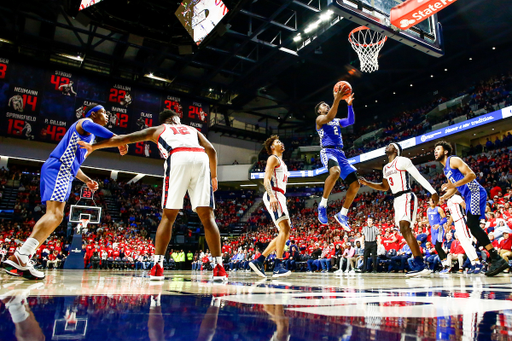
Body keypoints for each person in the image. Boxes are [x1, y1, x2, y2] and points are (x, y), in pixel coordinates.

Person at [78, 109, 228, 281]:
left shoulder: (157, 130)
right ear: (173, 119)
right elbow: (212, 150)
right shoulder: (193, 130)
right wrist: (214, 176)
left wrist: (94, 146)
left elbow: (124, 138)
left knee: (168, 216)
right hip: (201, 159)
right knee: (208, 217)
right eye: (178, 118)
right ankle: (219, 268)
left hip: (178, 156)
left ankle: (157, 267)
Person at [2, 104, 127, 280]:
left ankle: (22, 256)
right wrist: (118, 140)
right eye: (104, 113)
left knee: (54, 215)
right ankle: (22, 256)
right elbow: (89, 125)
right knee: (55, 215)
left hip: (64, 171)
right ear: (93, 114)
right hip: (59, 169)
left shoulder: (88, 140)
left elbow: (75, 166)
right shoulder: (84, 122)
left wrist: (87, 180)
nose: (107, 116)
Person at [359, 143, 438, 277]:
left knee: (405, 227)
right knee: (403, 230)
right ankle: (419, 263)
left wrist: (432, 191)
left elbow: (418, 176)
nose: (387, 146)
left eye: (389, 145)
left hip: (406, 195)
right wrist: (368, 183)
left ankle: (420, 265)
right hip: (396, 200)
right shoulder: (385, 168)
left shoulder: (403, 160)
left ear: (395, 150)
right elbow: (384, 187)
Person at [434, 140, 508, 276]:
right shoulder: (446, 170)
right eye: (435, 150)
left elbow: (472, 175)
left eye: (438, 149)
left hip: (474, 191)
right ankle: (496, 258)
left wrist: (452, 185)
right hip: (468, 195)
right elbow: (454, 188)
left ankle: (496, 258)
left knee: (472, 224)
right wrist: (443, 197)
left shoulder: (453, 160)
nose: (435, 151)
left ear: (445, 151)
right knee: (473, 227)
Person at [249, 135, 292, 278]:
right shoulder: (273, 158)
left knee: (284, 231)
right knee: (284, 229)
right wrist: (272, 195)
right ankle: (278, 265)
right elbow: (266, 179)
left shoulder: (282, 162)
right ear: (273, 147)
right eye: (278, 142)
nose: (281, 143)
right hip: (274, 194)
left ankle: (259, 260)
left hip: (280, 196)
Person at [315, 90, 358, 230]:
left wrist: (349, 105)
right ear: (319, 111)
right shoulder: (320, 120)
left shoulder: (336, 120)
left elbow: (350, 121)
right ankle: (322, 205)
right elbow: (330, 116)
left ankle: (343, 214)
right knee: (335, 172)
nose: (325, 105)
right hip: (328, 151)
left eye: (326, 104)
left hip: (340, 153)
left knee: (355, 184)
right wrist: (337, 99)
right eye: (323, 105)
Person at [445, 194, 483, 274]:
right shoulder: (448, 201)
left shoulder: (456, 197)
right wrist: (448, 224)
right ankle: (473, 263)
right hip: (456, 223)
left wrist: (472, 218)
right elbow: (452, 215)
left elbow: (466, 207)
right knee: (463, 244)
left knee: (468, 242)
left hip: (462, 220)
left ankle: (478, 263)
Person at [427, 197, 450, 273]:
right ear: (429, 202)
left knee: (438, 246)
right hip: (432, 230)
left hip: (439, 229)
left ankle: (447, 265)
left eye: (434, 200)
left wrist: (438, 224)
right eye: (431, 200)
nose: (432, 201)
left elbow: (445, 219)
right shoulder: (428, 210)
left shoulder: (439, 209)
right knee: (437, 248)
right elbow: (428, 220)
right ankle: (445, 265)